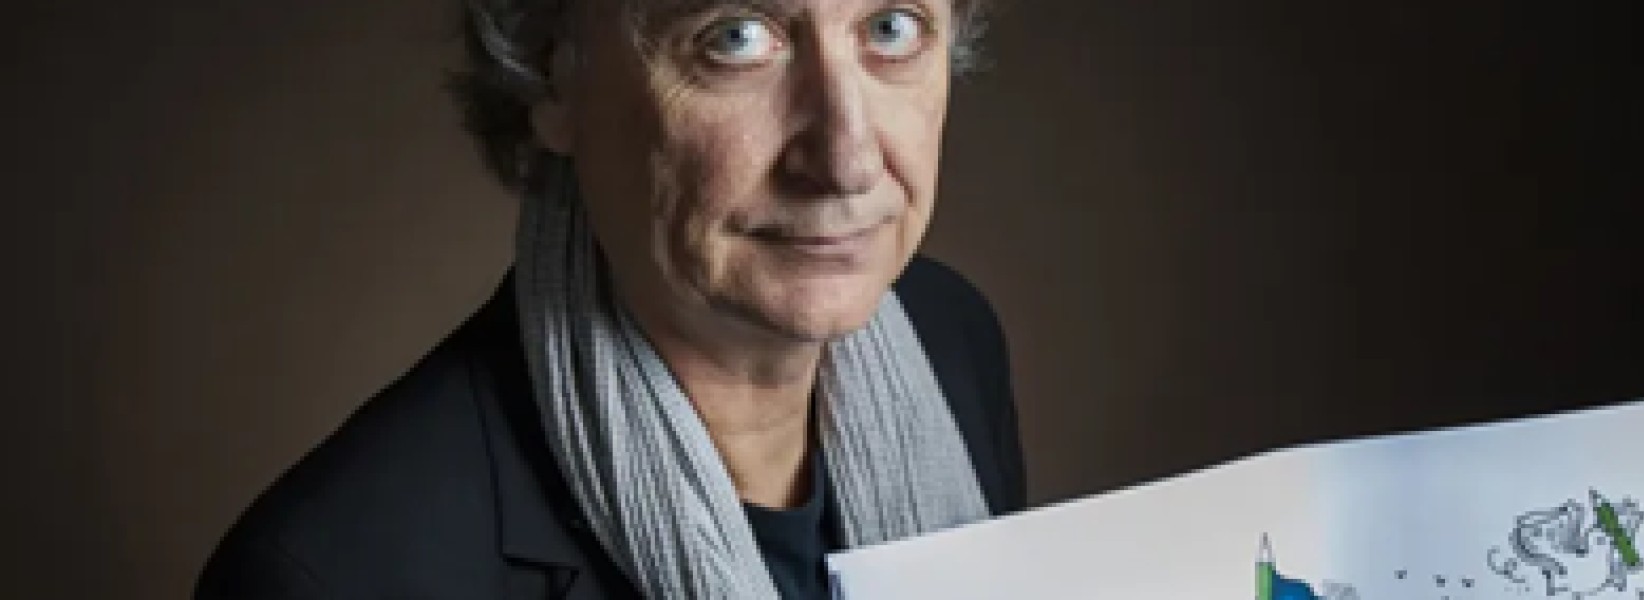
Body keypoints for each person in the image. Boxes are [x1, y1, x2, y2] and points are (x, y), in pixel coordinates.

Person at [195, 0, 1024, 597]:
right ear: (552, 76)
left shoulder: (952, 340)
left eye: (891, 29)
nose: (846, 160)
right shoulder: (336, 575)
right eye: (736, 37)